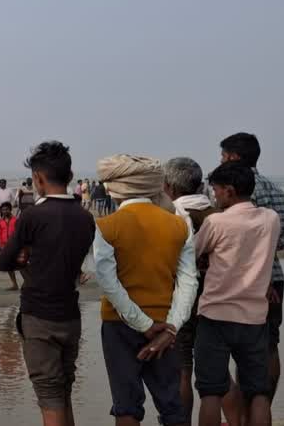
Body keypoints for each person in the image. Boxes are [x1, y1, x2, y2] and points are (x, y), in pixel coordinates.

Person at [92, 154, 197, 426]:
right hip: (165, 325)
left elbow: (108, 282)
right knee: (172, 405)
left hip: (119, 325)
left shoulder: (106, 227)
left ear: (113, 188)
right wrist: (170, 327)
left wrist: (142, 323)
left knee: (126, 406)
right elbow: (188, 282)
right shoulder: (178, 224)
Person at [0, 141, 96, 426]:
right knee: (63, 389)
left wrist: (25, 258)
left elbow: (5, 261)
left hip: (39, 315)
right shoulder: (85, 217)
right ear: (69, 176)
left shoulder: (33, 216)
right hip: (70, 315)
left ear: (38, 179)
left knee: (49, 395)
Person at [195, 162, 281, 426]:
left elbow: (195, 253)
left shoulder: (215, 222)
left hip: (215, 315)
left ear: (229, 191)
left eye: (216, 191)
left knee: (210, 391)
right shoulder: (271, 219)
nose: (214, 196)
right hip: (254, 317)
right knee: (258, 392)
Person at [219, 132, 284, 405]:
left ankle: (242, 411)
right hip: (273, 278)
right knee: (268, 344)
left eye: (223, 155)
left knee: (232, 347)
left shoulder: (226, 187)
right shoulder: (275, 189)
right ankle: (262, 407)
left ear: (233, 157)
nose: (220, 160)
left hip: (235, 280)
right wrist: (267, 247)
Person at [163, 158, 243, 424]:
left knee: (183, 368)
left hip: (182, 299)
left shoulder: (170, 215)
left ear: (169, 187)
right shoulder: (219, 214)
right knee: (220, 372)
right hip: (219, 299)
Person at [0, 202, 19, 290]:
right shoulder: (0, 221)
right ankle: (14, 284)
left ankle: (28, 282)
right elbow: (0, 234)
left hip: (15, 245)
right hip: (5, 246)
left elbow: (19, 233)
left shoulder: (16, 220)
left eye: (6, 209)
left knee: (21, 265)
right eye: (3, 210)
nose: (4, 211)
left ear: (10, 210)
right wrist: (1, 245)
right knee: (9, 266)